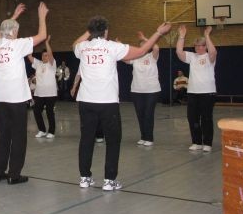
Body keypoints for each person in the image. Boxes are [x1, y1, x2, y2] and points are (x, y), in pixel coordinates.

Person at [73, 17, 171, 191]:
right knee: (113, 141)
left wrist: (90, 30)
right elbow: (142, 51)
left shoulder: (82, 47)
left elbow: (75, 43)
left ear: (90, 31)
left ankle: (84, 178)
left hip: (86, 101)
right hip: (107, 103)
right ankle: (109, 181)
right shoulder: (112, 47)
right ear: (106, 31)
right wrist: (158, 32)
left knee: (86, 139)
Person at [0, 2, 49, 185]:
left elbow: (1, 32)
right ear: (14, 31)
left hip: (0, 97)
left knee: (3, 135)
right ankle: (14, 174)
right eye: (17, 30)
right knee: (18, 136)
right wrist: (42, 16)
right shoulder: (18, 44)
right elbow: (42, 36)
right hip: (16, 97)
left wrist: (14, 16)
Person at [176, 25, 217, 152]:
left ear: (205, 46)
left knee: (206, 118)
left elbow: (213, 52)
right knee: (192, 118)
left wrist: (207, 36)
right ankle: (196, 142)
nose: (199, 48)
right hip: (193, 93)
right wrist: (181, 36)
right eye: (197, 46)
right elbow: (179, 52)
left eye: (202, 46)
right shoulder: (192, 56)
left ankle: (207, 143)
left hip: (207, 93)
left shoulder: (209, 57)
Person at [125, 31, 161, 146]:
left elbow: (156, 47)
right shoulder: (135, 58)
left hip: (152, 90)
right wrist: (119, 46)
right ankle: (143, 136)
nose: (143, 48)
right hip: (137, 90)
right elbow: (124, 58)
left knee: (148, 113)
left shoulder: (152, 56)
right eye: (141, 47)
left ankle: (149, 138)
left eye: (145, 46)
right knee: (140, 114)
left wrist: (145, 38)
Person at [28, 35, 57, 139]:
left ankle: (51, 132)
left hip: (50, 93)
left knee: (49, 112)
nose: (45, 57)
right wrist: (29, 45)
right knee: (36, 111)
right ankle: (42, 130)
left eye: (47, 55)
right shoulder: (38, 64)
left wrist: (47, 43)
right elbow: (29, 56)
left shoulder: (52, 64)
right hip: (39, 93)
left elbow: (50, 54)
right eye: (43, 55)